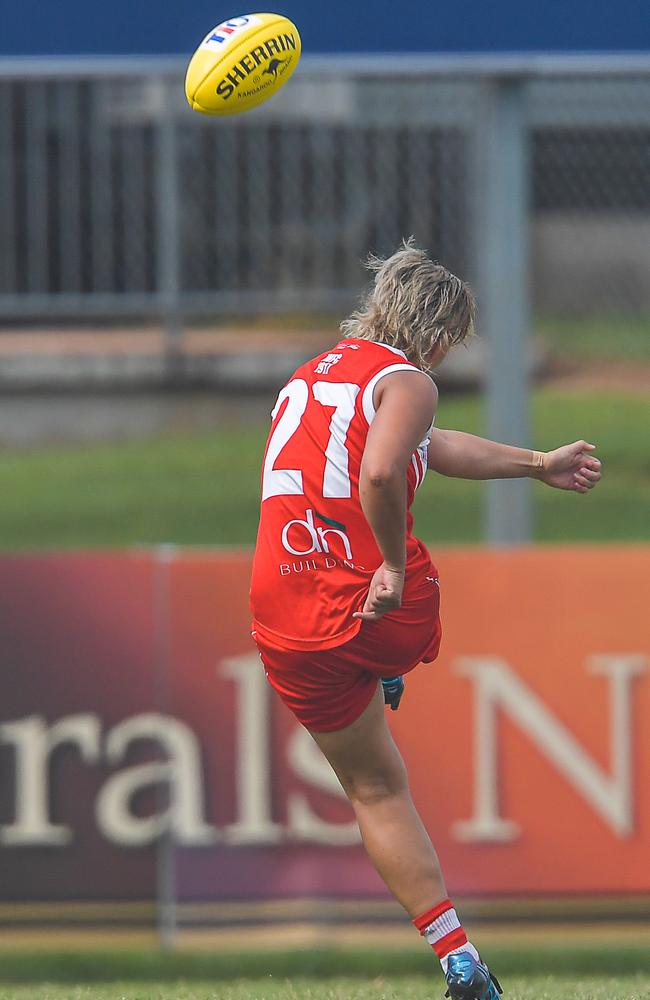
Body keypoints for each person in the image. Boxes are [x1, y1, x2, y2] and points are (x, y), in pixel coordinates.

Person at [249, 240, 602, 1000]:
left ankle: (459, 960)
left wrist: (539, 463)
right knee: (413, 598)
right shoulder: (408, 380)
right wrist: (392, 567)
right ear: (439, 335)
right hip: (367, 600)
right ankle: (388, 665)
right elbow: (382, 470)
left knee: (374, 788)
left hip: (279, 615)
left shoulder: (312, 378)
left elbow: (429, 450)